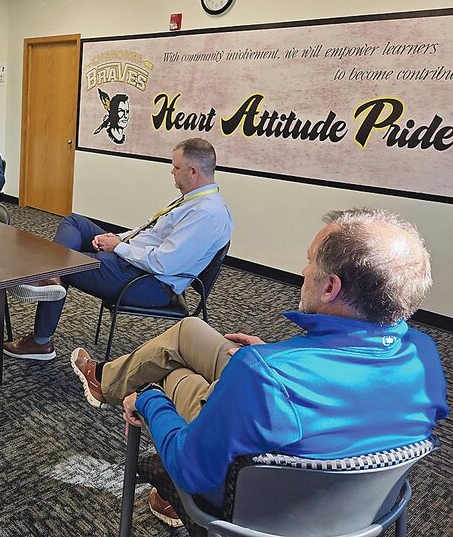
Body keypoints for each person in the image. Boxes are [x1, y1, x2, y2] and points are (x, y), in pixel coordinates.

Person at [71, 207, 448, 530]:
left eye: (311, 261)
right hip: (360, 504)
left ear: (331, 286)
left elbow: (190, 468)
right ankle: (106, 380)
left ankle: (127, 398)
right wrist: (273, 355)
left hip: (249, 507)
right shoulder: (425, 357)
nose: (303, 269)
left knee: (170, 378)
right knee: (189, 330)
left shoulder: (263, 374)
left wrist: (150, 401)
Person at [3, 137, 233, 361]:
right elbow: (149, 232)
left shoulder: (206, 214)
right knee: (74, 223)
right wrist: (116, 238)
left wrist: (119, 248)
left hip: (149, 283)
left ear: (193, 171)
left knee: (69, 261)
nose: (172, 172)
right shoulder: (193, 201)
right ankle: (52, 275)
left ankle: (41, 340)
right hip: (135, 261)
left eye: (176, 167)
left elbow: (165, 263)